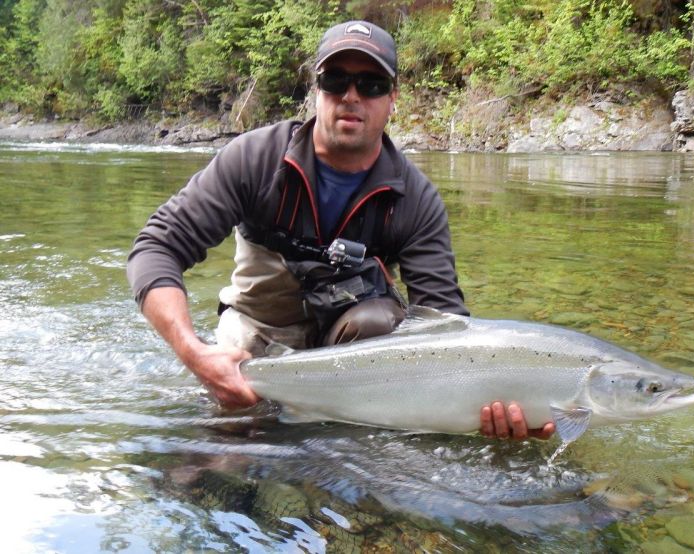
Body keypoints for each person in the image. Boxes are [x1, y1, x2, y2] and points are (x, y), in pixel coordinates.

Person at [126, 20, 554, 442]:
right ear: (316, 91)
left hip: (353, 350)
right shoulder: (255, 160)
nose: (351, 96)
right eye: (335, 80)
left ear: (392, 101)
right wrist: (193, 353)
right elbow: (157, 247)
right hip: (257, 339)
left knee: (381, 321)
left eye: (370, 85)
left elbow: (446, 327)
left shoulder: (416, 201)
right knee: (218, 463)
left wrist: (500, 401)